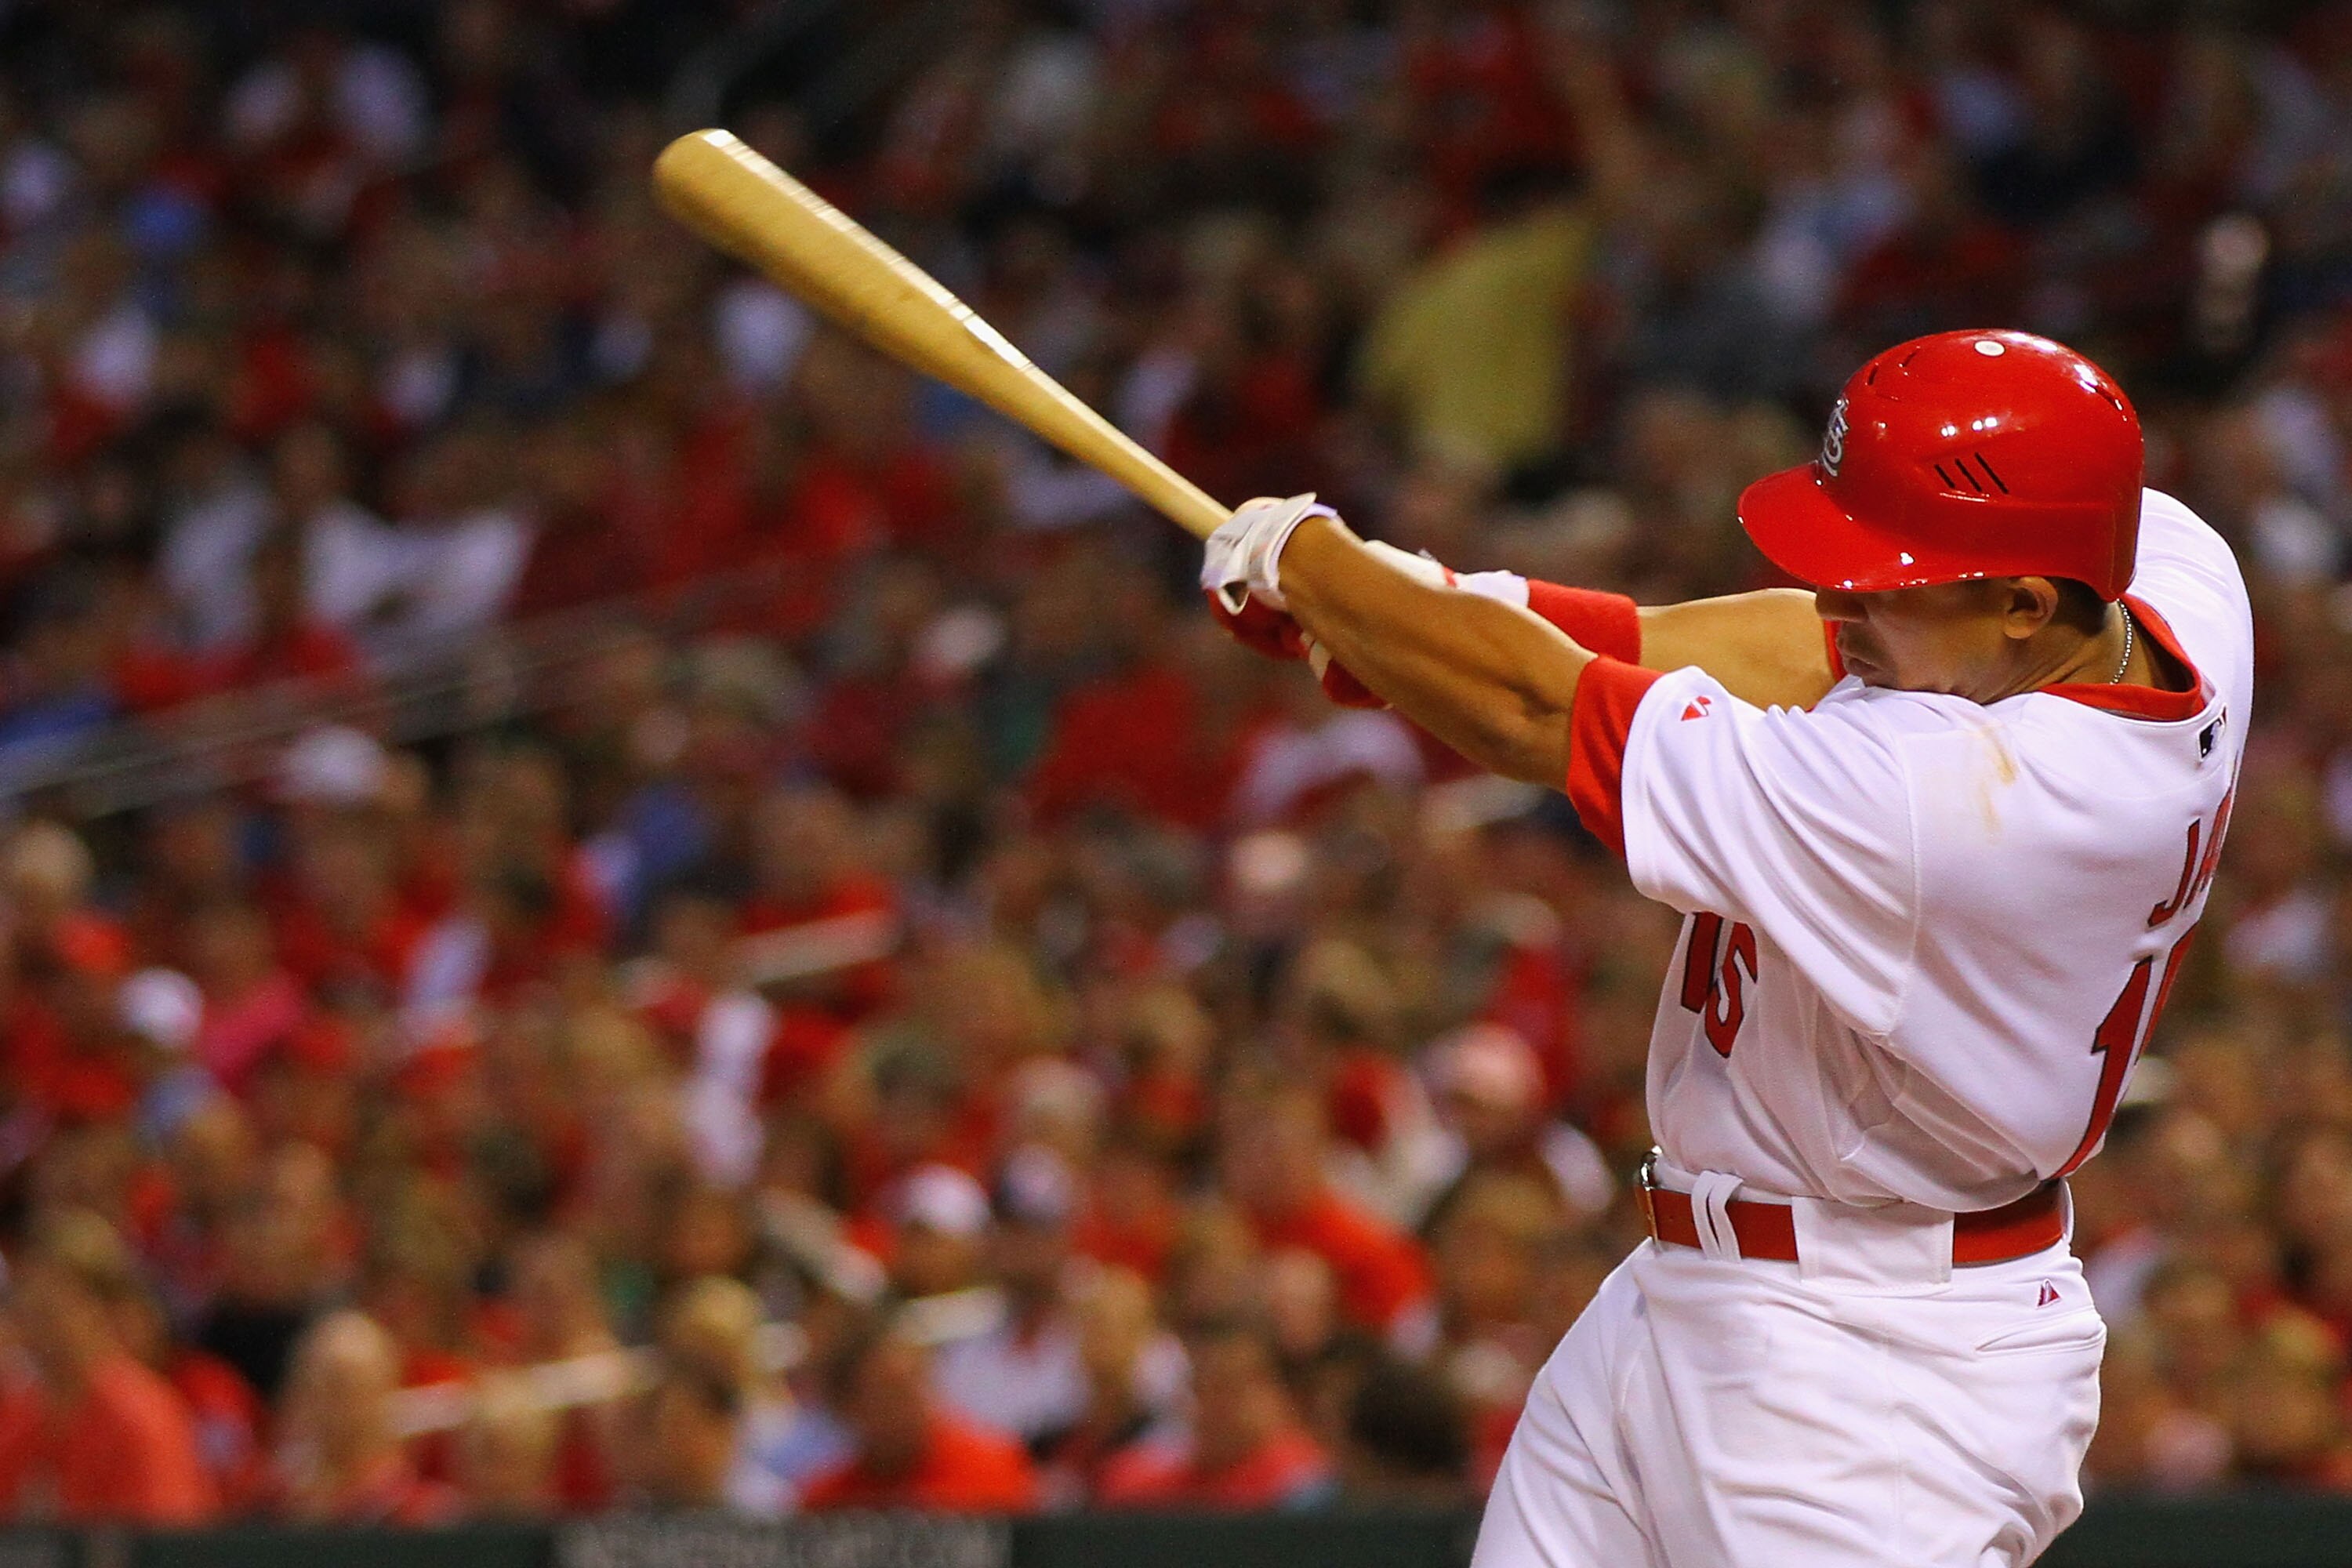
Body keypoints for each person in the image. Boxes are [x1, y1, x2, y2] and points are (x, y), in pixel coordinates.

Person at [1203, 329, 2252, 1566]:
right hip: (1708, 1283)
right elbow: (1802, 651)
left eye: (1887, 580)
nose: (1841, 600)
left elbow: (1536, 710)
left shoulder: (1943, 805)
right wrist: (1453, 616)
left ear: (2027, 606)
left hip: (1870, 1379)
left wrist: (1332, 572)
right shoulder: (2166, 578)